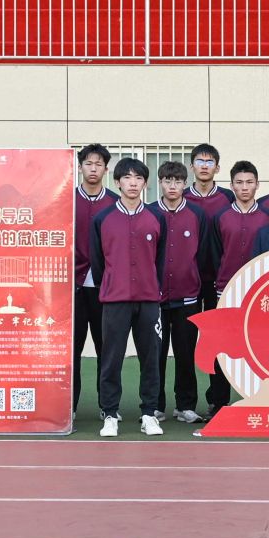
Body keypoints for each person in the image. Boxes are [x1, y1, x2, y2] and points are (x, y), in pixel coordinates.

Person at [93, 157, 168, 438]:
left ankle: (149, 413)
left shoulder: (156, 217)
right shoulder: (103, 219)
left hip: (148, 299)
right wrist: (111, 285)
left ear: (145, 183)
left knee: (151, 358)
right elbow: (98, 262)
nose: (133, 183)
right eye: (127, 177)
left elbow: (160, 259)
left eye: (138, 178)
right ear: (117, 182)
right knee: (111, 359)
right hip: (115, 300)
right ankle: (110, 414)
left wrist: (153, 286)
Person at [153, 161, 217, 423]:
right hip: (154, 298)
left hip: (188, 296)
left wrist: (195, 282)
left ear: (184, 184)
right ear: (160, 183)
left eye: (178, 181)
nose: (172, 186)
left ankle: (186, 405)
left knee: (185, 353)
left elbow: (203, 254)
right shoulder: (150, 212)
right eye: (168, 181)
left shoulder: (197, 214)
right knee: (154, 354)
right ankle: (154, 405)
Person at [207, 161, 269, 415]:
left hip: (259, 293)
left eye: (249, 182)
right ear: (231, 185)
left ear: (257, 185)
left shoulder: (267, 217)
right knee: (221, 348)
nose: (244, 187)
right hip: (225, 291)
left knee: (260, 347)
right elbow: (214, 254)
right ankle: (218, 401)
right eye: (239, 183)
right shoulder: (220, 217)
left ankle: (260, 398)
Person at [70, 143, 114, 413]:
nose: (93, 169)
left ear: (106, 169)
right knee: (71, 350)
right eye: (88, 164)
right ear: (80, 167)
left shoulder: (114, 202)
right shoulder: (66, 199)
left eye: (99, 164)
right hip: (71, 286)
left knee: (105, 349)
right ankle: (69, 406)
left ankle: (106, 406)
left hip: (104, 286)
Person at [186, 143, 230, 222]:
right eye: (199, 162)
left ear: (217, 168)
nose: (204, 167)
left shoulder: (228, 196)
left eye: (210, 163)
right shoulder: (182, 196)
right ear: (192, 167)